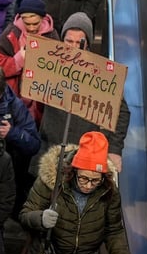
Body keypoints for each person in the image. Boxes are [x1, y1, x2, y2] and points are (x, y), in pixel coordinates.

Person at [20, 132, 138, 254]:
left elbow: (114, 230)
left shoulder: (109, 191)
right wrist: (40, 218)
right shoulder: (51, 181)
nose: (88, 185)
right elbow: (25, 215)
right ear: (73, 171)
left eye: (95, 180)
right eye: (83, 178)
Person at [30, 13, 131, 178]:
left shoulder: (99, 73)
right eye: (69, 41)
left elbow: (122, 113)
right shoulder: (48, 62)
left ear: (88, 45)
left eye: (79, 43)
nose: (73, 47)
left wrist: (115, 149)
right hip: (48, 150)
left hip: (82, 156)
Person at [0, 0, 60, 118]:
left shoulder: (52, 35)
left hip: (41, 99)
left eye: (35, 24)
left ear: (43, 18)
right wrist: (18, 60)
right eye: (27, 24)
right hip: (14, 97)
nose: (31, 28)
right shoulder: (11, 33)